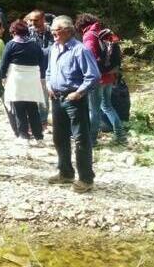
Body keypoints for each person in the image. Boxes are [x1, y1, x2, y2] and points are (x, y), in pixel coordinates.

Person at [45, 15, 100, 193]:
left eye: (57, 31)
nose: (53, 34)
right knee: (59, 137)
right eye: (52, 31)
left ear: (68, 31)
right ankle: (65, 172)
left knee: (80, 139)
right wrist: (48, 85)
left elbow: (93, 76)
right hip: (56, 98)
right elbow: (48, 71)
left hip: (73, 99)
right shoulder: (54, 47)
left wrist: (79, 93)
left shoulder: (80, 50)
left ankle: (86, 179)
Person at [76, 13, 127, 146]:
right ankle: (121, 135)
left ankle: (92, 140)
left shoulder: (89, 35)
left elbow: (89, 56)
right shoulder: (102, 33)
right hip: (109, 76)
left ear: (82, 25)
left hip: (97, 79)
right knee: (107, 106)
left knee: (95, 109)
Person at [0, 20, 47, 146]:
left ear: (14, 32)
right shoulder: (35, 45)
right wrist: (42, 78)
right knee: (33, 109)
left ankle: (24, 136)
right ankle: (39, 137)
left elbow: (3, 64)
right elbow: (42, 63)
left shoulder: (11, 45)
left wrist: (2, 78)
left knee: (19, 109)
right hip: (32, 80)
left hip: (17, 80)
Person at [26, 9, 53, 126]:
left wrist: (35, 51)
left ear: (43, 19)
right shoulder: (28, 31)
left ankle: (43, 121)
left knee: (43, 97)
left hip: (46, 70)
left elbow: (52, 50)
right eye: (30, 20)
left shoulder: (51, 31)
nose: (32, 23)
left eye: (35, 20)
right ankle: (32, 120)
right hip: (31, 69)